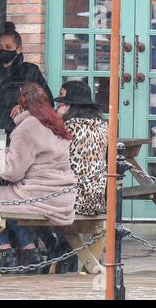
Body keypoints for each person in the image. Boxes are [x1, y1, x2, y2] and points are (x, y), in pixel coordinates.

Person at [0, 83, 77, 274]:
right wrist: (8, 151)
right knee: (11, 201)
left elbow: (12, 172)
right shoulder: (55, 124)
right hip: (61, 196)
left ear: (22, 105)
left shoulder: (27, 127)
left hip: (39, 195)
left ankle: (7, 253)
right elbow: (39, 155)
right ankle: (29, 251)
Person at [0, 22, 54, 140]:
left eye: (8, 47)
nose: (3, 50)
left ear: (19, 49)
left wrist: (26, 106)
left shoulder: (30, 71)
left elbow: (48, 103)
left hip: (21, 135)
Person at [54, 81, 108, 216]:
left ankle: (35, 238)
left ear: (71, 105)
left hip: (71, 200)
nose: (58, 104)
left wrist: (57, 120)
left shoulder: (68, 129)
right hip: (95, 200)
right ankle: (58, 238)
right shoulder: (102, 127)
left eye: (62, 100)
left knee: (15, 200)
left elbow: (50, 157)